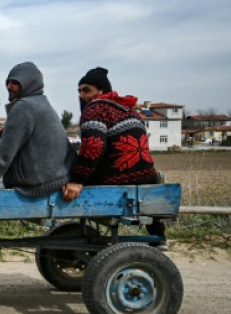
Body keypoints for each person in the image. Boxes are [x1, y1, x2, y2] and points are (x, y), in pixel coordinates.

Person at [60, 67, 168, 249]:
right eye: (79, 91)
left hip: (118, 176)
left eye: (87, 90)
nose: (81, 95)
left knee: (67, 173)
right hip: (146, 176)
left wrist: (77, 181)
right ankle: (159, 235)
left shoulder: (94, 109)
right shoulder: (131, 111)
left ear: (101, 91)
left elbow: (93, 147)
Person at [0, 62, 71, 205]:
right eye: (8, 82)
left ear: (30, 84)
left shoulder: (24, 106)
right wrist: (2, 131)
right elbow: (29, 139)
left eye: (16, 83)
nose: (9, 86)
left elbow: (5, 151)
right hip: (55, 178)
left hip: (40, 186)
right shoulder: (40, 103)